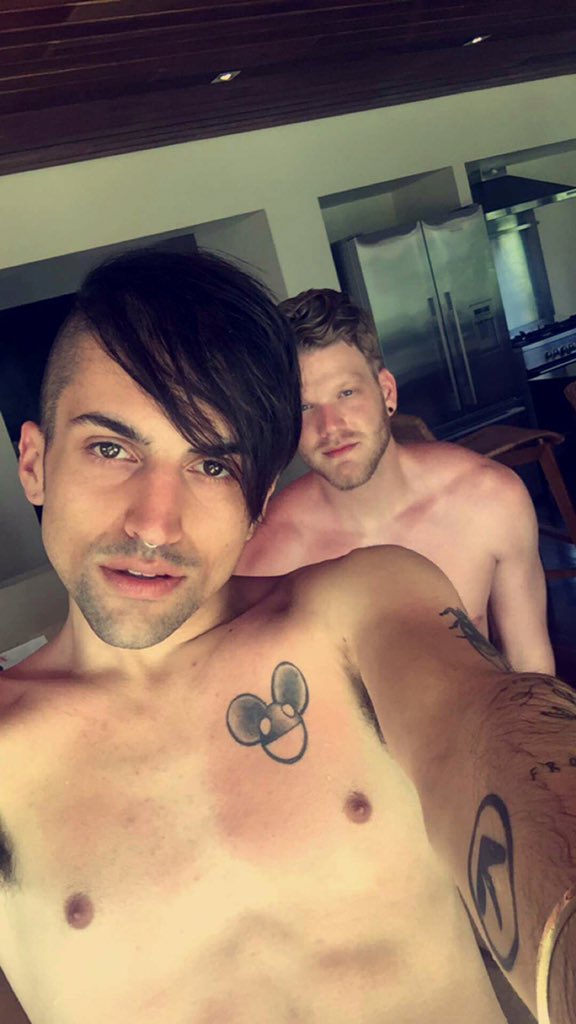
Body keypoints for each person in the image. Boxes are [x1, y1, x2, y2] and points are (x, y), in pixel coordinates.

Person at [0, 249, 574, 1024]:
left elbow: (491, 725)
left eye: (213, 466)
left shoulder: (361, 603)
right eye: (112, 449)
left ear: (258, 499)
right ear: (35, 464)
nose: (155, 524)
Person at [236, 289, 554, 675]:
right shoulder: (263, 560)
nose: (330, 426)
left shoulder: (490, 500)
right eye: (303, 407)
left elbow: (531, 664)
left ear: (386, 392)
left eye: (346, 393)